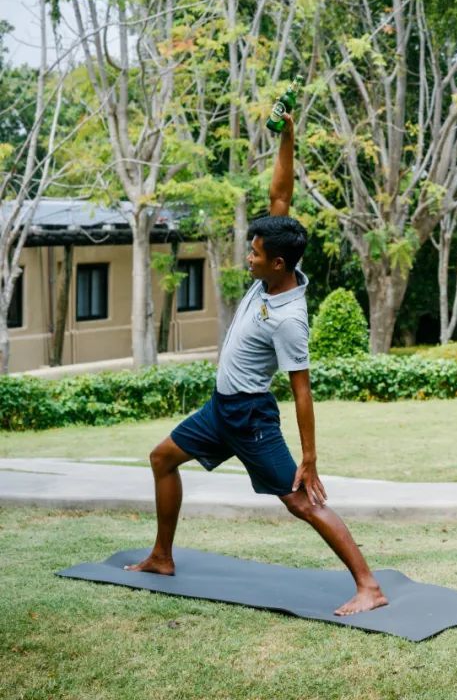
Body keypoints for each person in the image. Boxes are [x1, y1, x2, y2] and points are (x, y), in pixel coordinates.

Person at [124, 113, 388, 614]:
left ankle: (369, 586)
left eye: (255, 253)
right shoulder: (275, 272)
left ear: (279, 264)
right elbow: (281, 199)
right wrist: (288, 137)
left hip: (252, 419)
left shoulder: (289, 317)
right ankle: (161, 555)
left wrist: (309, 458)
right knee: (162, 459)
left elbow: (302, 390)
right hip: (221, 410)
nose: (249, 257)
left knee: (301, 502)